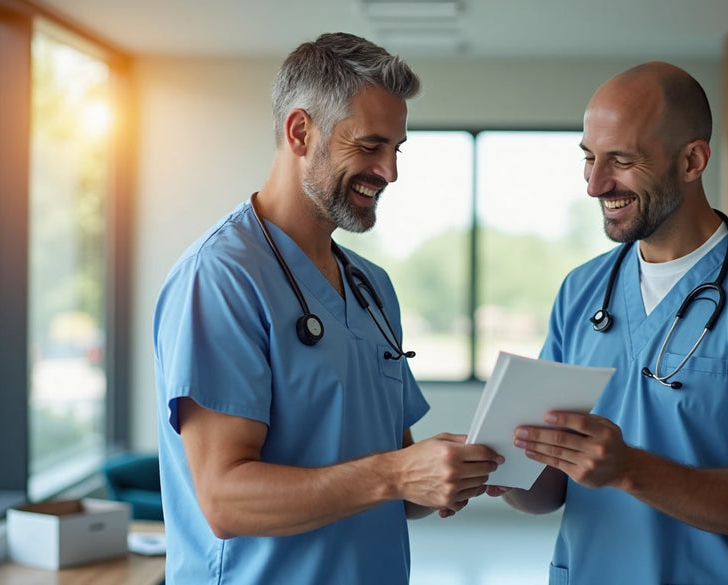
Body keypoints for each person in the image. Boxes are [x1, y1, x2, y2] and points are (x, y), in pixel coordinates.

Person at [152, 32, 501, 585]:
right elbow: (224, 501)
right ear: (300, 132)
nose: (389, 171)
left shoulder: (371, 288)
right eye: (369, 146)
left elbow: (394, 483)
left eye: (396, 149)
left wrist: (443, 476)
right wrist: (397, 475)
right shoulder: (221, 278)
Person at [489, 62, 728, 584]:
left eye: (622, 160)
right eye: (588, 159)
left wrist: (630, 468)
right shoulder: (582, 291)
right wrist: (506, 472)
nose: (594, 185)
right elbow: (550, 491)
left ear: (692, 160)